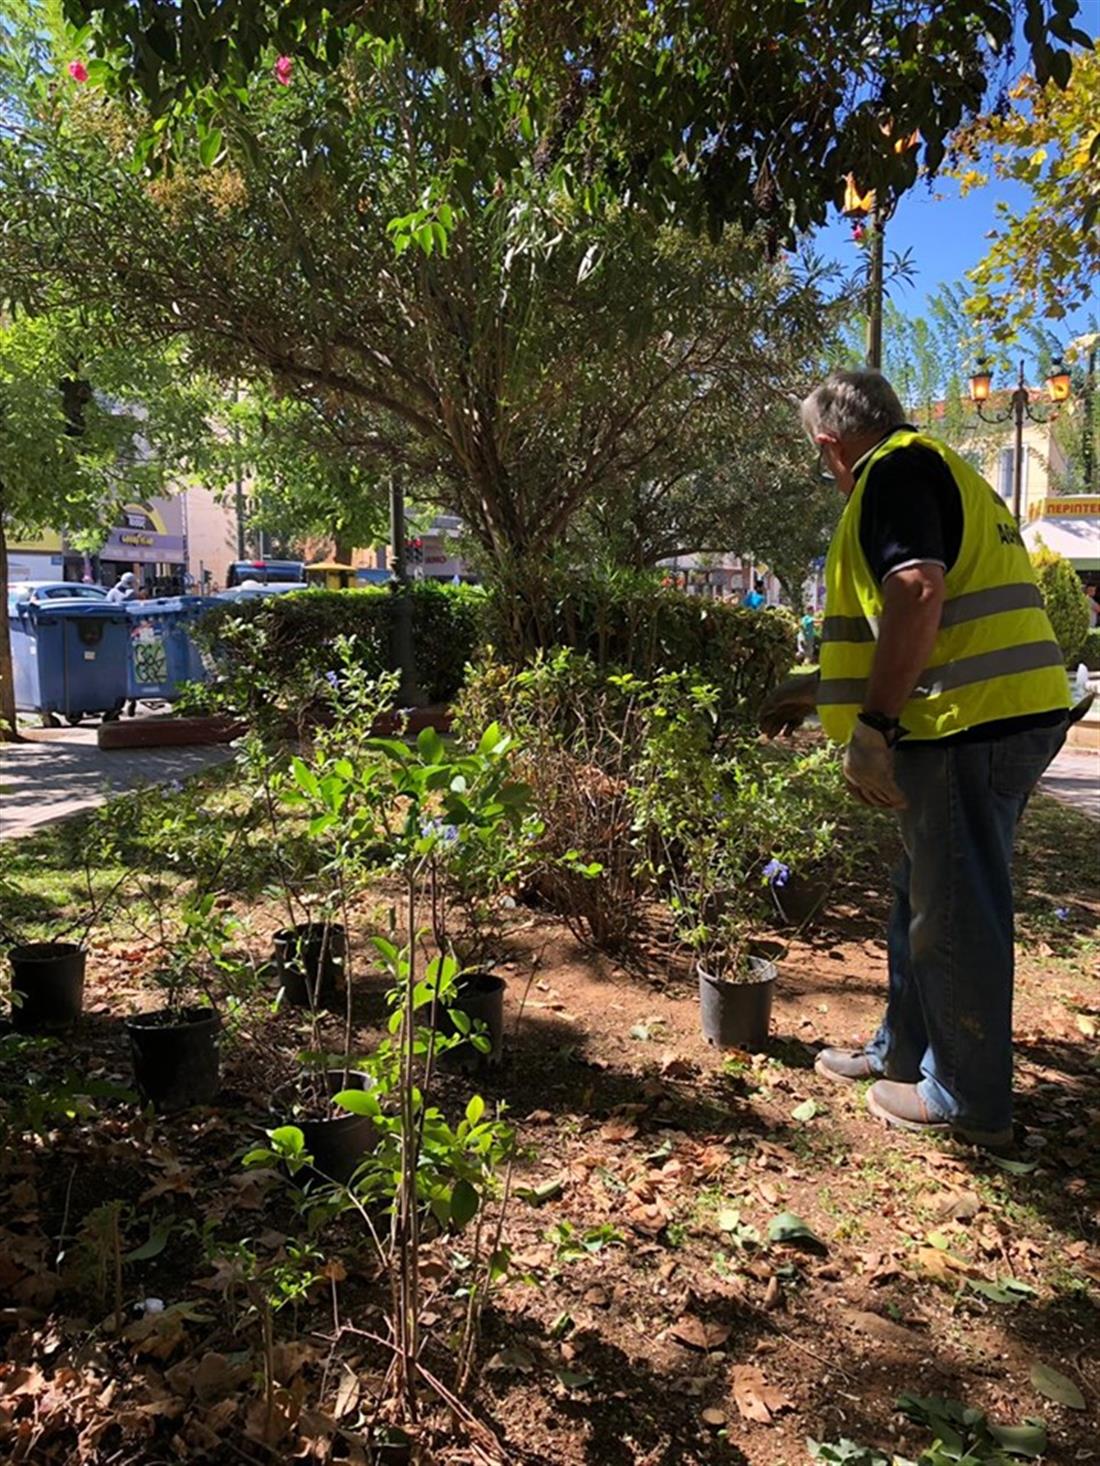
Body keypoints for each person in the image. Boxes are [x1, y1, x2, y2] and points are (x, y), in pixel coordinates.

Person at [759, 369, 1078, 1151]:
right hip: (994, 716)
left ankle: (967, 1100)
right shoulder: (934, 466)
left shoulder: (892, 472)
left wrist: (872, 726)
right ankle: (899, 1053)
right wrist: (812, 692)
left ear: (830, 444)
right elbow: (923, 615)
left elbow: (917, 592)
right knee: (919, 893)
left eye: (818, 455)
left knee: (957, 908)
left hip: (972, 727)